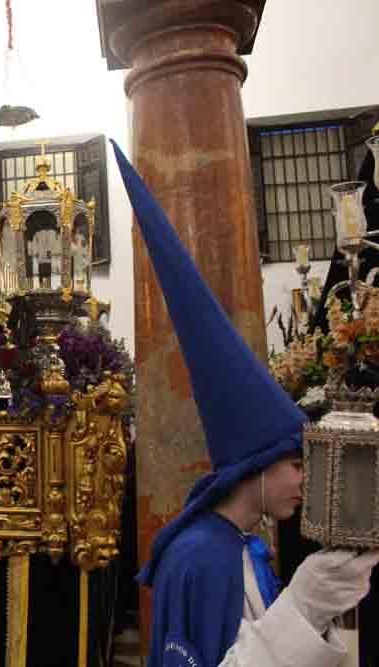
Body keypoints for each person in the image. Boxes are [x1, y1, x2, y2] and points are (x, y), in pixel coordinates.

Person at [111, 141, 379, 667]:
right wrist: (302, 607)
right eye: (297, 465)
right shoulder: (201, 559)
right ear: (256, 463)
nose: (307, 482)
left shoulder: (239, 545)